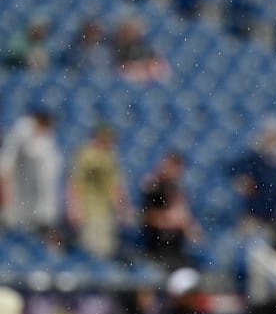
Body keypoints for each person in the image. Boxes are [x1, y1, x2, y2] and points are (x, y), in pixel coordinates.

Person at [66, 124, 133, 259]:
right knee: (89, 249)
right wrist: (74, 206)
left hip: (106, 209)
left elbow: (116, 186)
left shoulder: (110, 156)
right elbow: (75, 182)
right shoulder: (85, 155)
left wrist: (122, 208)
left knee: (105, 249)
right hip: (88, 208)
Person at [0, 108, 63, 242]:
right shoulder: (21, 132)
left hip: (36, 203)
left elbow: (50, 174)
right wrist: (6, 193)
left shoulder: (48, 137)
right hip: (16, 197)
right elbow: (5, 168)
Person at [139, 151, 202, 271]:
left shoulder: (176, 188)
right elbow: (146, 217)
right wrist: (169, 219)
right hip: (158, 247)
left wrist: (188, 226)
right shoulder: (154, 186)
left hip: (176, 247)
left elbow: (184, 216)